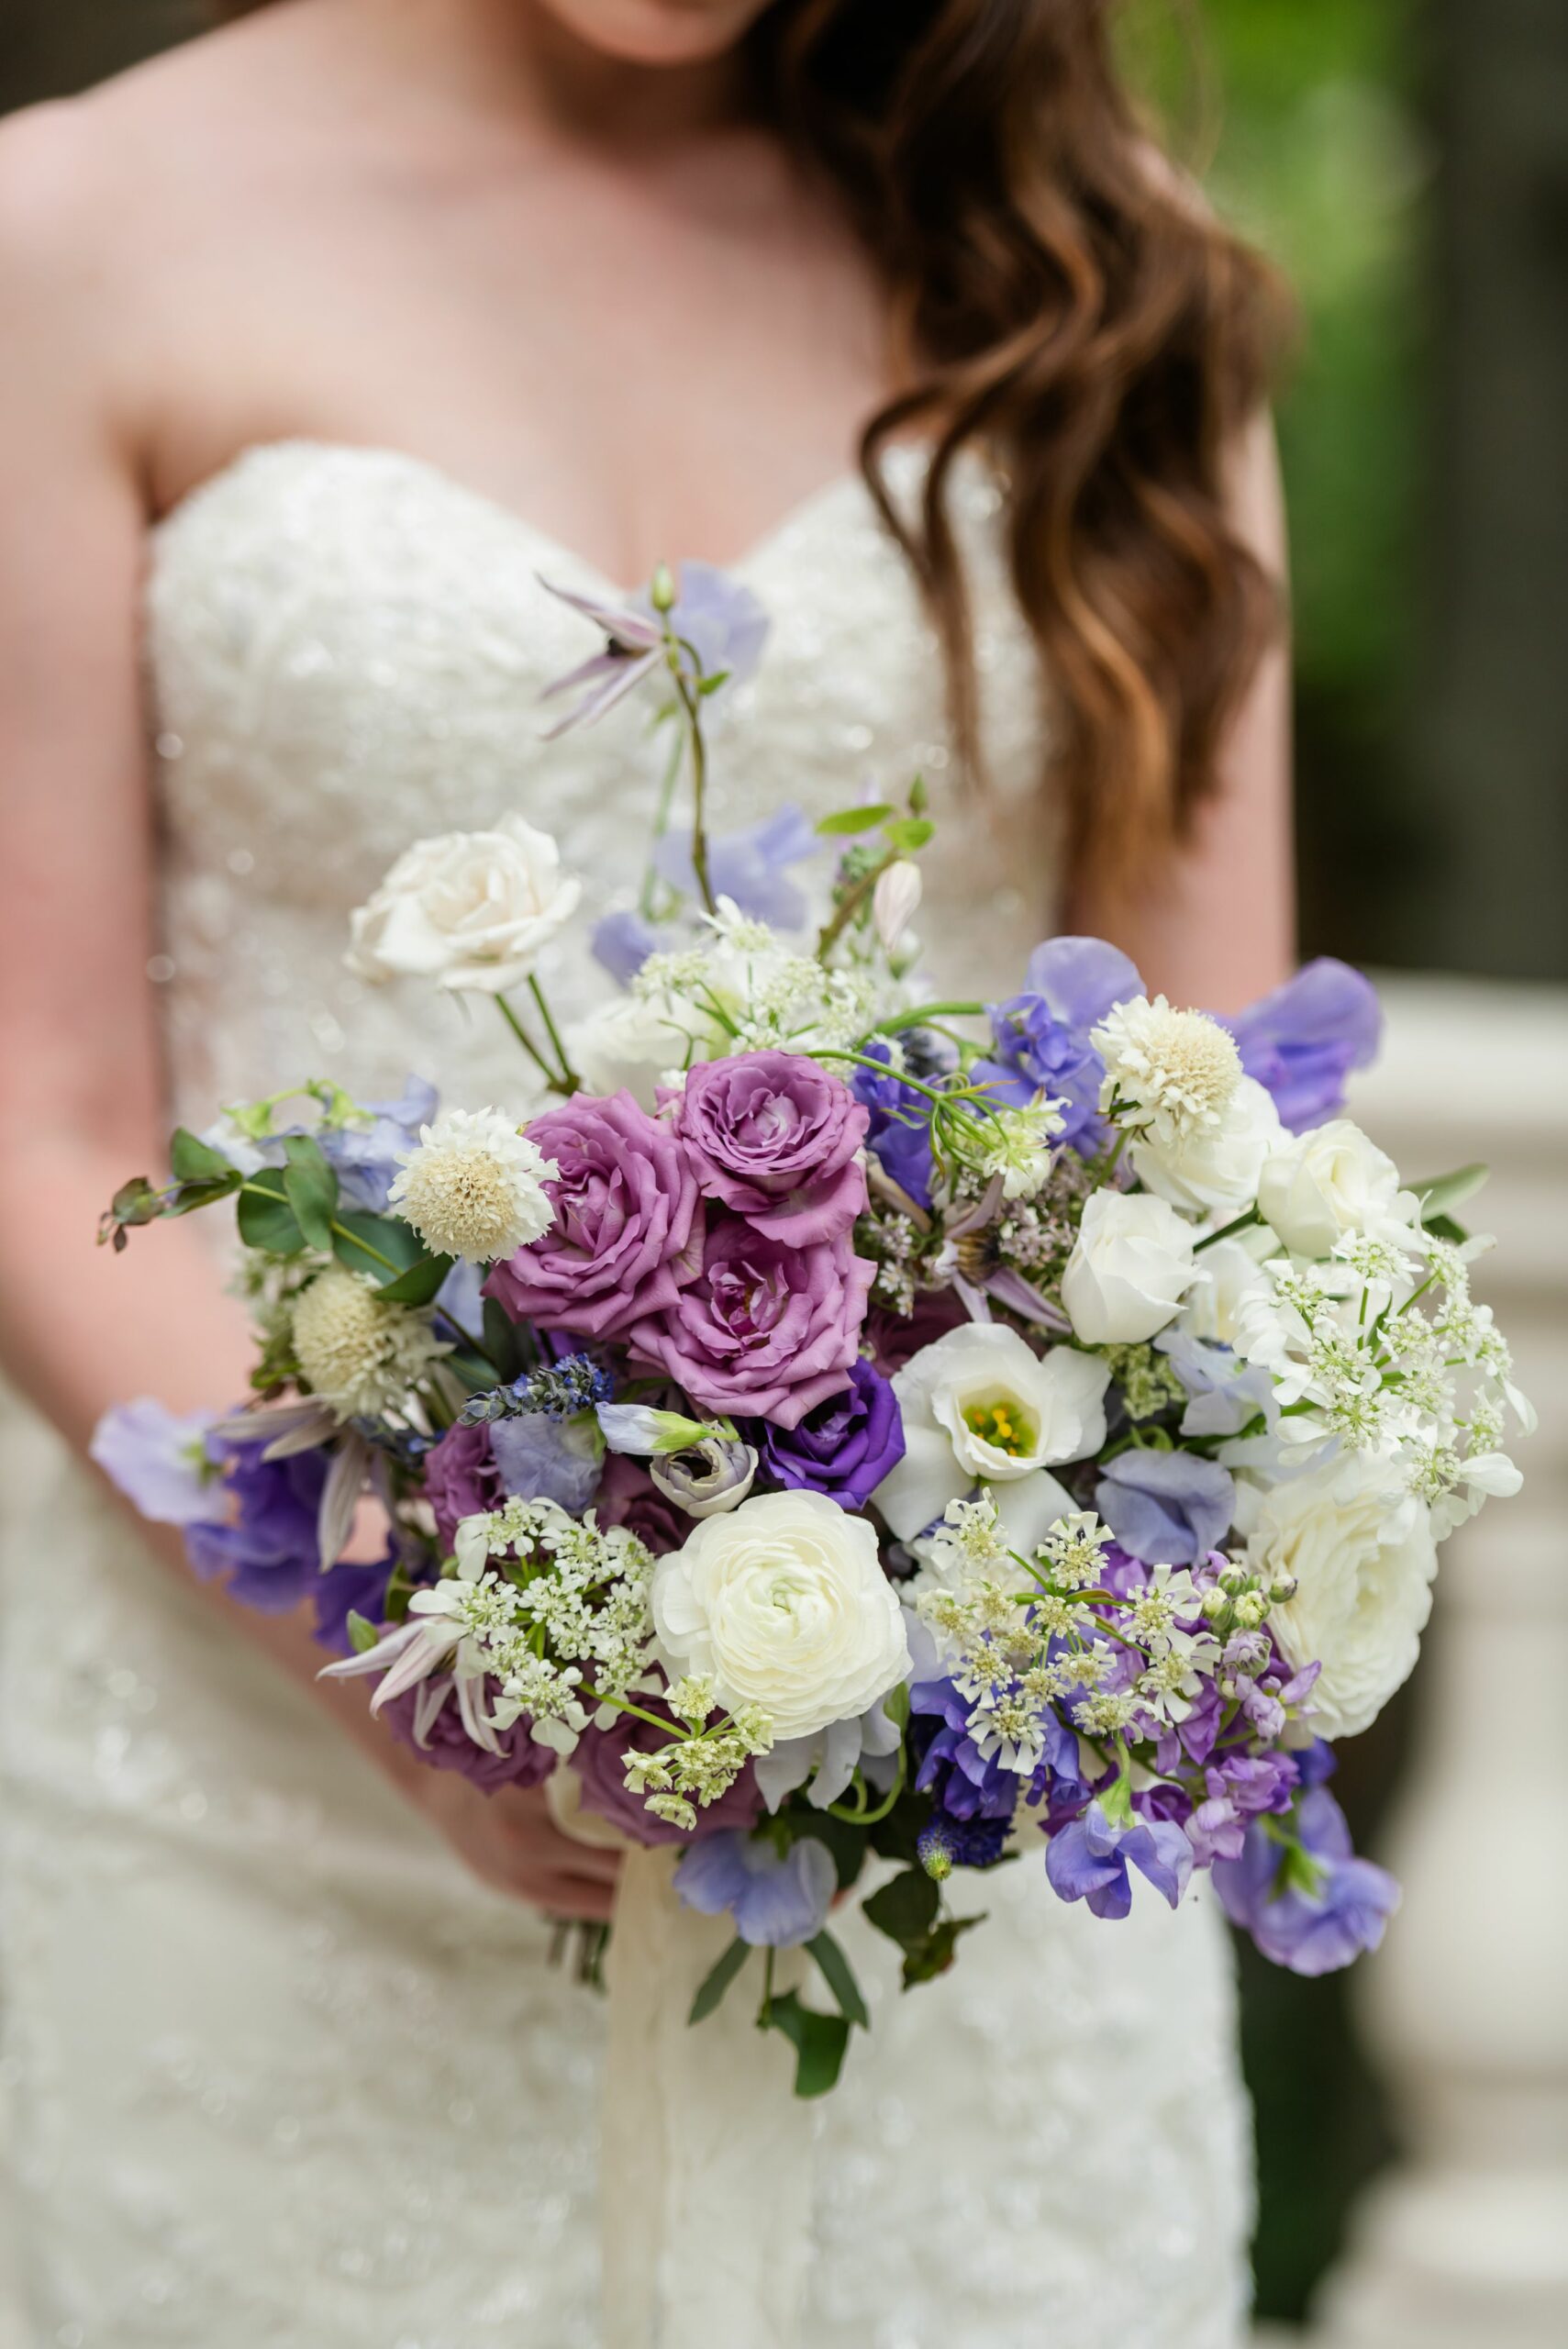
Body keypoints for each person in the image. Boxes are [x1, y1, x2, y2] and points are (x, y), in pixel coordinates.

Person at [0, 0, 1292, 2339]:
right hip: (251, 1795)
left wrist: (945, 1653)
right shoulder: (71, 234)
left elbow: (1221, 1128)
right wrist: (417, 1660)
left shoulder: (1111, 290)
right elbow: (39, 1102)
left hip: (950, 1868)